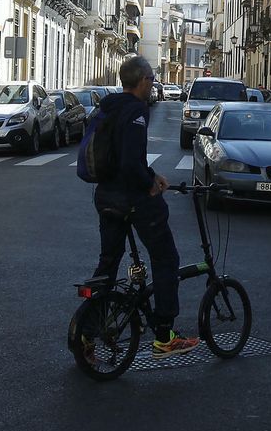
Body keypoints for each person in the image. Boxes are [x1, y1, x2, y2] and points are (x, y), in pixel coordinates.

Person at [80, 56, 200, 357]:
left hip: (105, 195)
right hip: (130, 198)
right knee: (166, 258)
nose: (153, 84)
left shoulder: (108, 106)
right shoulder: (136, 110)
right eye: (152, 79)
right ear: (143, 80)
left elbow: (120, 155)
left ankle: (87, 333)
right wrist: (150, 184)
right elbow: (131, 162)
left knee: (108, 262)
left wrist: (151, 174)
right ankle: (164, 335)